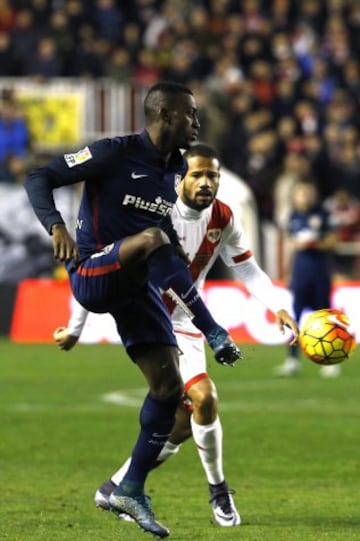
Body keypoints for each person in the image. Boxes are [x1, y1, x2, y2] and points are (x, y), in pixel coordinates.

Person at [24, 81, 241, 539]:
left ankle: (130, 488)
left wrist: (204, 316)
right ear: (165, 116)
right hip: (92, 273)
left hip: (134, 285)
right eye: (191, 115)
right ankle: (213, 331)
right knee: (156, 239)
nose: (197, 123)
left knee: (168, 389)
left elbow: (166, 246)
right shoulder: (114, 153)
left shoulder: (175, 168)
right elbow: (38, 176)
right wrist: (56, 226)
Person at [53, 144, 299, 528]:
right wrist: (75, 326)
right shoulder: (153, 212)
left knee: (185, 421)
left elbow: (247, 269)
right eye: (197, 174)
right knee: (204, 397)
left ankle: (116, 486)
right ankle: (219, 490)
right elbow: (101, 266)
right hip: (148, 318)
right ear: (179, 177)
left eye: (212, 176)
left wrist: (277, 305)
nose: (205, 183)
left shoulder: (224, 217)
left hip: (187, 322)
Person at [274, 180, 339, 378]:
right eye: (301, 194)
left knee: (325, 318)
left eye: (307, 193)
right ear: (295, 197)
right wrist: (287, 272)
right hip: (301, 273)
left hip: (319, 273)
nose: (304, 197)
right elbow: (291, 244)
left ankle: (330, 361)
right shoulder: (293, 217)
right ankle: (293, 360)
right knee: (294, 315)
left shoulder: (323, 214)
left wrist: (314, 243)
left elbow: (332, 241)